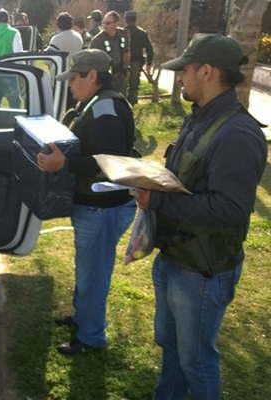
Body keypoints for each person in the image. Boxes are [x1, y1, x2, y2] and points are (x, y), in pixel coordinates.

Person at [134, 34, 267, 400]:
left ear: (207, 71)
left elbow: (230, 210)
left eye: (186, 71)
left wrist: (157, 202)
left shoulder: (237, 134)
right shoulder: (200, 119)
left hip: (202, 272)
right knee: (171, 347)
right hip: (176, 259)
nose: (181, 78)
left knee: (197, 362)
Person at [37, 49, 137, 356]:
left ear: (91, 75)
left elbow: (106, 160)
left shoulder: (106, 108)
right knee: (87, 269)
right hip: (95, 205)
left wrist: (63, 164)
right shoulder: (97, 102)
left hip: (103, 208)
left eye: (74, 79)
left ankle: (91, 336)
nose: (70, 86)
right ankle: (83, 318)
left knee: (94, 274)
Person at [90, 11, 130, 95]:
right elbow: (93, 63)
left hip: (120, 75)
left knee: (121, 100)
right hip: (105, 78)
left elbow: (126, 52)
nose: (104, 25)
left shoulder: (123, 34)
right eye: (103, 23)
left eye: (107, 23)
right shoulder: (97, 40)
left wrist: (126, 68)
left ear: (116, 23)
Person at [124, 10, 153, 105]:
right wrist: (148, 64)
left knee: (122, 85)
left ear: (125, 20)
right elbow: (150, 49)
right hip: (136, 62)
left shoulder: (121, 32)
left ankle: (122, 105)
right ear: (135, 19)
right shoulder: (142, 33)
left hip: (122, 62)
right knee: (134, 86)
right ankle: (131, 106)